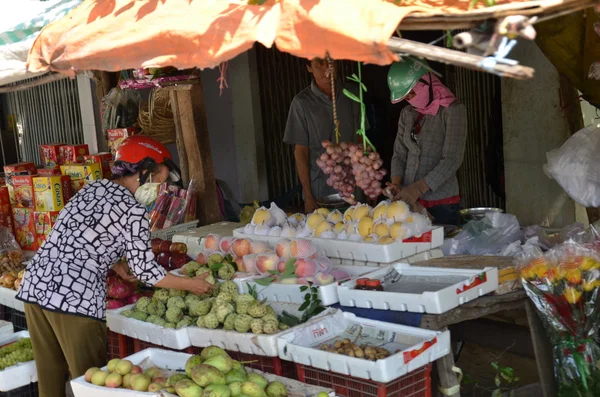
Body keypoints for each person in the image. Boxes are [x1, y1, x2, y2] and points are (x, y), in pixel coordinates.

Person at [16, 136, 214, 397]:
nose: (161, 189)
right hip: (74, 299)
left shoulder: (93, 188)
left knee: (50, 381)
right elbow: (146, 272)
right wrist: (193, 285)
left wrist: (117, 263)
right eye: (160, 181)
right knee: (92, 383)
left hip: (35, 287)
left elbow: (85, 237)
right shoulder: (133, 210)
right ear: (143, 171)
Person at [386, 58, 467, 225]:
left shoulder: (453, 111)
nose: (410, 99)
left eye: (412, 93)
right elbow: (399, 153)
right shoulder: (407, 114)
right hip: (409, 201)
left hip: (442, 202)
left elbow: (452, 160)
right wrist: (396, 183)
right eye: (406, 97)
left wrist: (418, 188)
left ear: (427, 81)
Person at [284, 57, 362, 213]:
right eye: (319, 63)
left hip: (354, 190)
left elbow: (362, 141)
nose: (327, 69)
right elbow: (301, 153)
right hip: (319, 192)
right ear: (309, 67)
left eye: (331, 62)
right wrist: (308, 195)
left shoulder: (353, 94)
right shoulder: (301, 103)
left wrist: (366, 182)